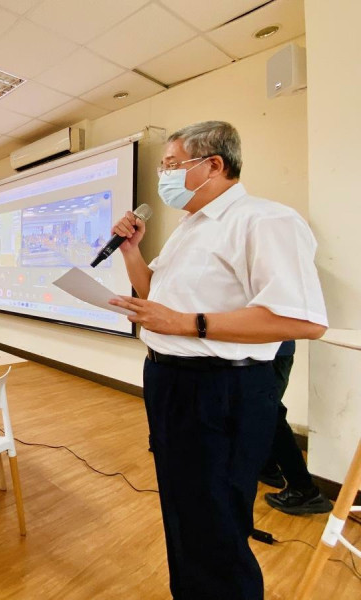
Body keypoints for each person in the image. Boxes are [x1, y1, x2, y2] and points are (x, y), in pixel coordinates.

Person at [108, 121, 328, 600]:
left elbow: (303, 321)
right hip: (169, 381)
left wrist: (190, 325)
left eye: (170, 165)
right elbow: (155, 297)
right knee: (185, 511)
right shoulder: (190, 228)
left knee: (217, 522)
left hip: (220, 391)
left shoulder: (266, 220)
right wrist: (131, 252)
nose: (163, 175)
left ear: (213, 165)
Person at [258, 341, 333, 514]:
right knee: (266, 415)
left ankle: (304, 489)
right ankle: (268, 468)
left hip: (268, 353)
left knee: (270, 415)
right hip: (270, 352)